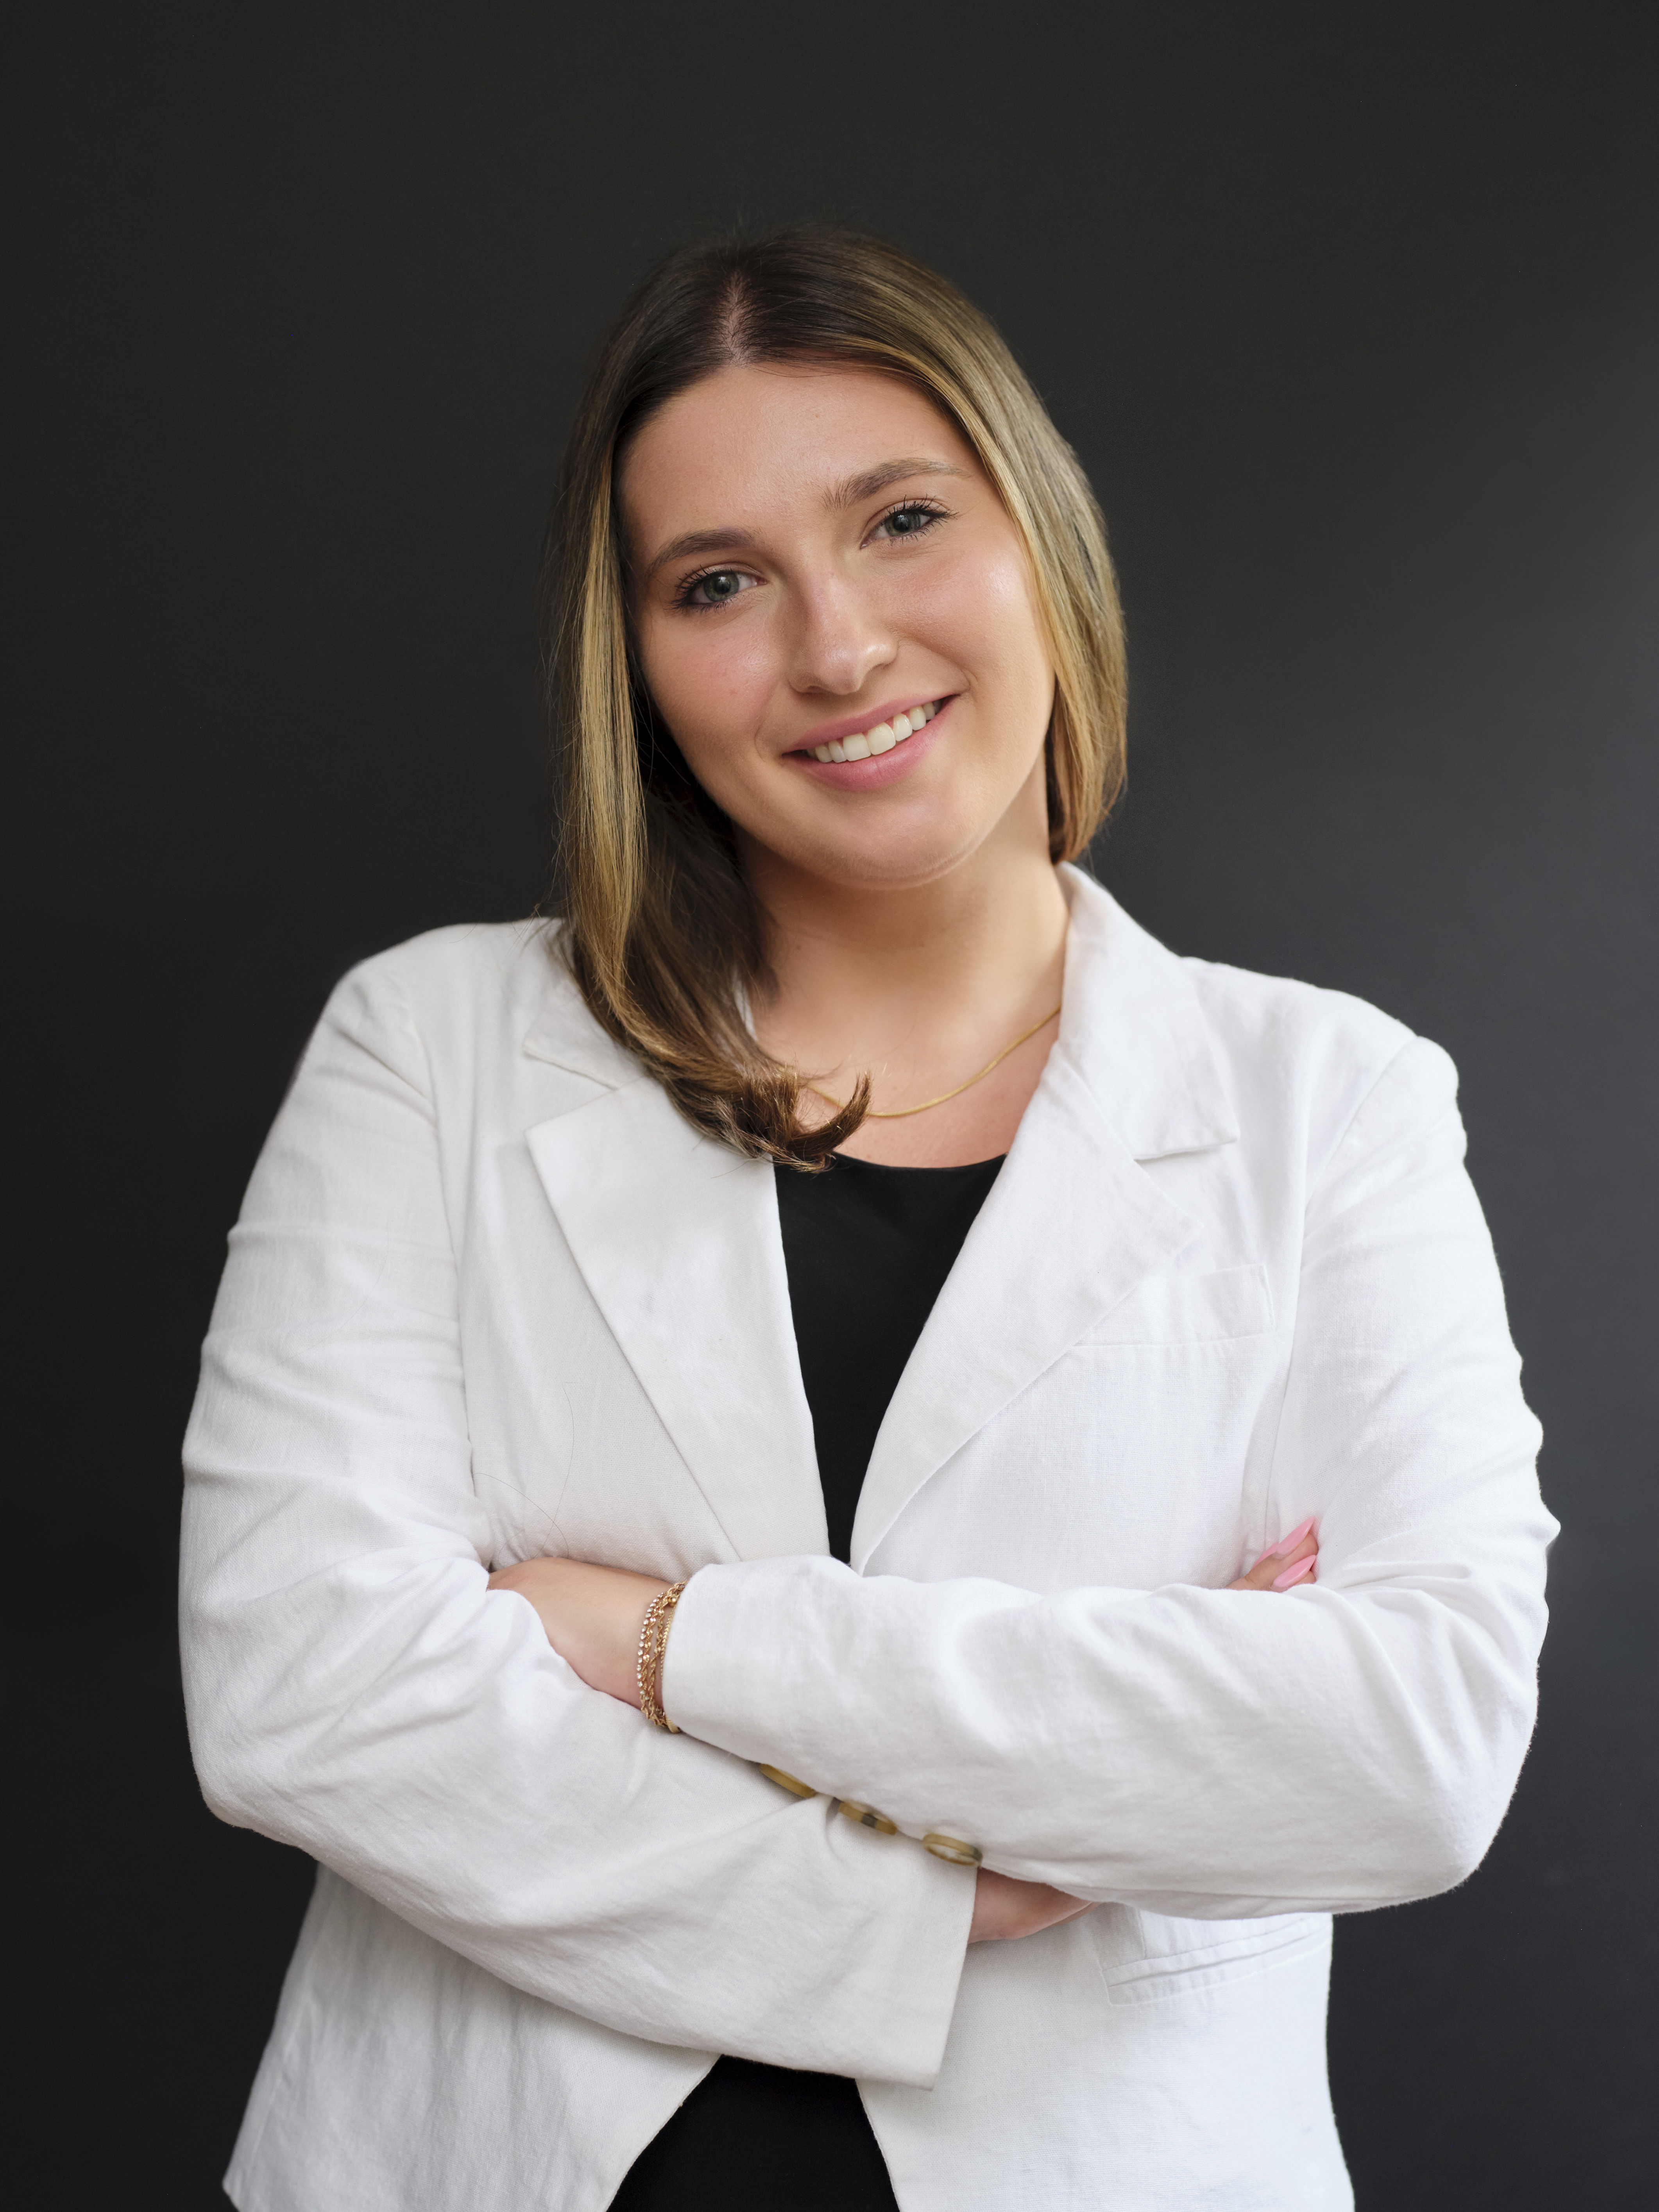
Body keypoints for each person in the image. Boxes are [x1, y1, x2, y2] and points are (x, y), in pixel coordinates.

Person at [179, 227, 1555, 2212]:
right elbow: (307, 1691)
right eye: (718, 582)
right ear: (638, 665)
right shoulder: (434, 1043)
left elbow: (1410, 1745)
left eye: (901, 519)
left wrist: (667, 1643)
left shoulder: (1328, 1100)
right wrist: (936, 1901)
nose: (834, 646)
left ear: (1039, 541)